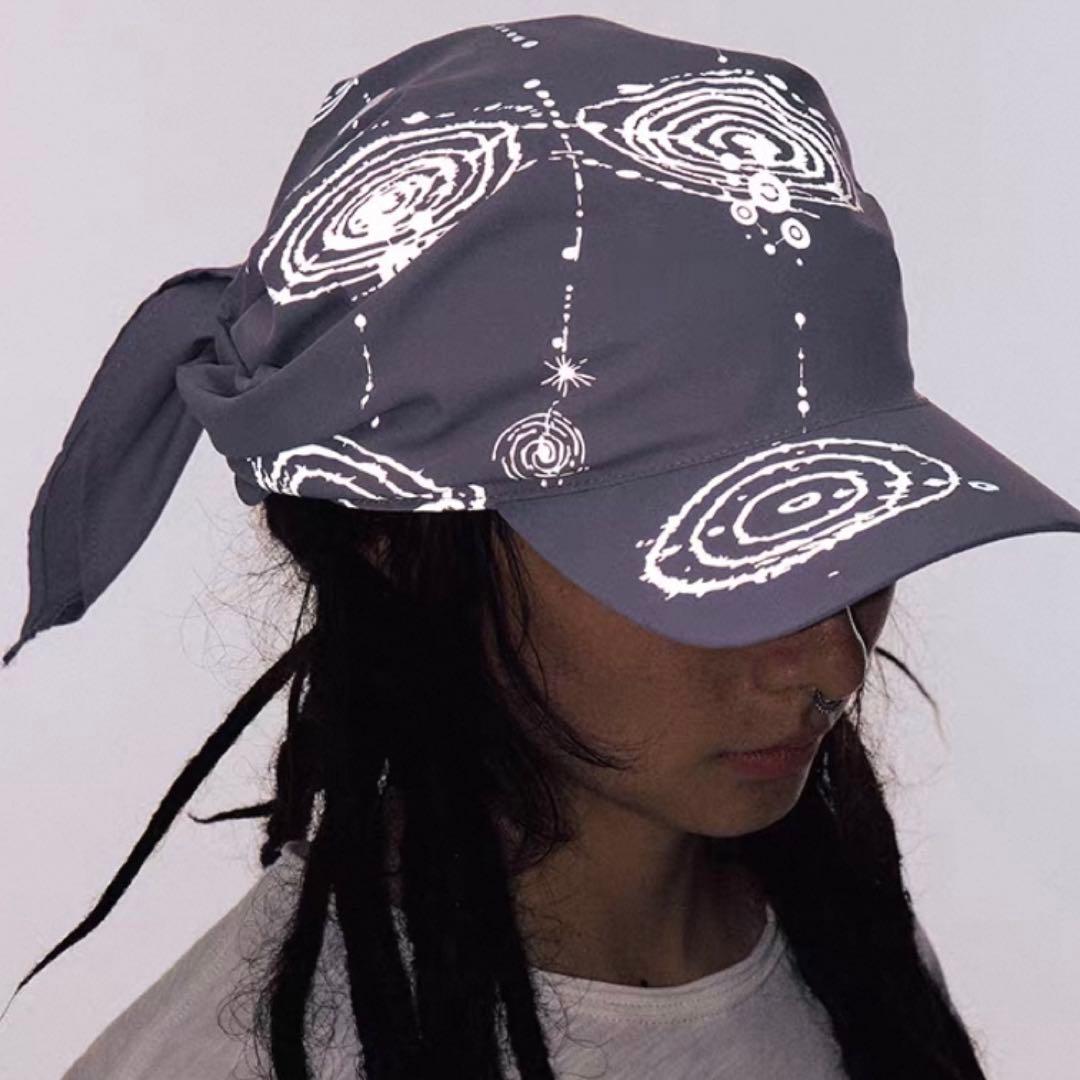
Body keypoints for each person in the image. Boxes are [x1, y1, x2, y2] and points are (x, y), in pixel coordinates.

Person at [6, 12, 1078, 1080]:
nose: (835, 666)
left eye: (855, 529)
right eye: (719, 566)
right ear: (395, 535)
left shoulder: (850, 949)